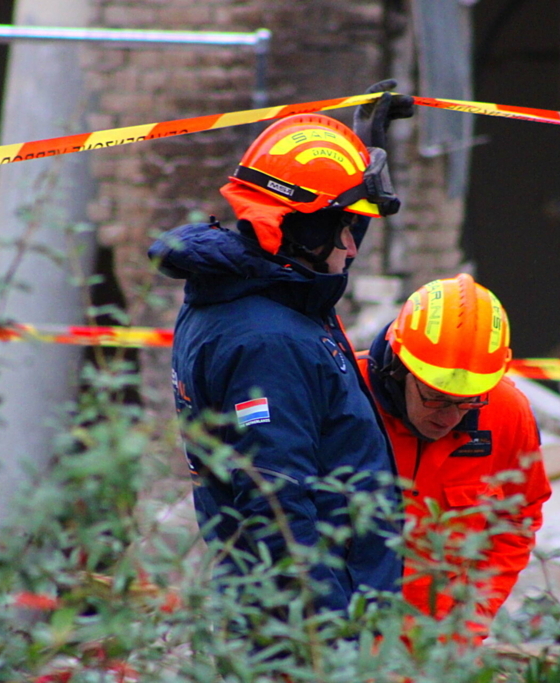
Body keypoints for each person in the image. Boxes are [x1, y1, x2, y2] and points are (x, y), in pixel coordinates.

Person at [147, 85, 414, 616]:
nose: (352, 247)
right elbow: (278, 511)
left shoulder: (265, 290)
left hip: (310, 609)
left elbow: (324, 228)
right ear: (303, 231)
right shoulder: (268, 342)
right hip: (304, 626)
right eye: (343, 228)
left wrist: (366, 139)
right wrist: (324, 638)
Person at [356, 273, 552, 637]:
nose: (449, 417)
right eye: (436, 397)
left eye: (467, 401)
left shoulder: (507, 412)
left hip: (442, 647)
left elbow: (518, 519)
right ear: (400, 368)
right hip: (348, 642)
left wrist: (472, 618)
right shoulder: (346, 395)